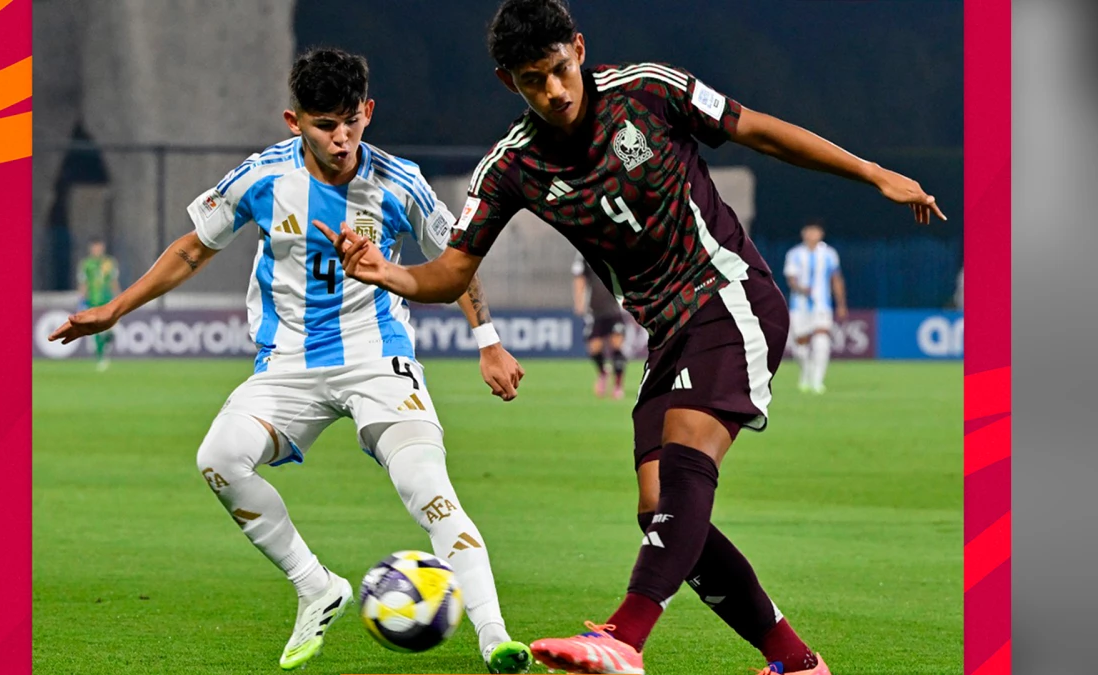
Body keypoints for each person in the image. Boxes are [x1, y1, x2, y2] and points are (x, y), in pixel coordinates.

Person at [317, 2, 947, 673]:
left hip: (728, 296)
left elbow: (759, 131)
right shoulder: (511, 169)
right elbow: (450, 274)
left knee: (683, 461)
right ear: (511, 83)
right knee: (661, 510)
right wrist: (387, 271)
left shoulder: (649, 92)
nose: (554, 90)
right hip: (666, 333)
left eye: (560, 69)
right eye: (534, 80)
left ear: (579, 49)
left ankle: (623, 635)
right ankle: (796, 662)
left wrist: (872, 170)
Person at [48, 48, 533, 674]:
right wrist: (114, 309)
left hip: (376, 357)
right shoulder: (260, 179)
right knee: (219, 460)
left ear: (369, 112)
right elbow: (193, 251)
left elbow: (457, 263)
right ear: (292, 119)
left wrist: (487, 339)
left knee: (428, 489)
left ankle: (495, 638)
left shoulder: (400, 181)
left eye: (352, 121)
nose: (341, 137)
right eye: (324, 124)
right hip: (287, 365)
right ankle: (315, 585)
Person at [783, 221, 847, 394]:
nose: (812, 235)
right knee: (800, 347)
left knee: (821, 342)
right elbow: (791, 279)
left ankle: (818, 382)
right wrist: (800, 288)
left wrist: (841, 304)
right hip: (799, 306)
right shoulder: (794, 254)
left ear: (821, 234)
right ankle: (806, 372)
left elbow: (836, 279)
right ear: (804, 233)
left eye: (815, 231)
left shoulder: (829, 254)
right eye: (809, 231)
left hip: (822, 305)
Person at [573, 252, 628, 398]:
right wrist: (579, 301)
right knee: (594, 347)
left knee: (616, 345)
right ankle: (603, 372)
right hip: (595, 309)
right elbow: (579, 277)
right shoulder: (583, 252)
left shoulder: (616, 246)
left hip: (615, 308)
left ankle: (617, 385)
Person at [76, 237, 120, 371]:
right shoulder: (86, 264)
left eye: (99, 247)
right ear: (91, 248)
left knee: (110, 329)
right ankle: (101, 358)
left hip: (107, 299)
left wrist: (119, 295)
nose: (97, 250)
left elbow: (113, 281)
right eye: (94, 247)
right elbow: (83, 283)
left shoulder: (109, 262)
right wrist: (81, 300)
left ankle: (109, 338)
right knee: (96, 330)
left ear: (103, 248)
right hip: (93, 300)